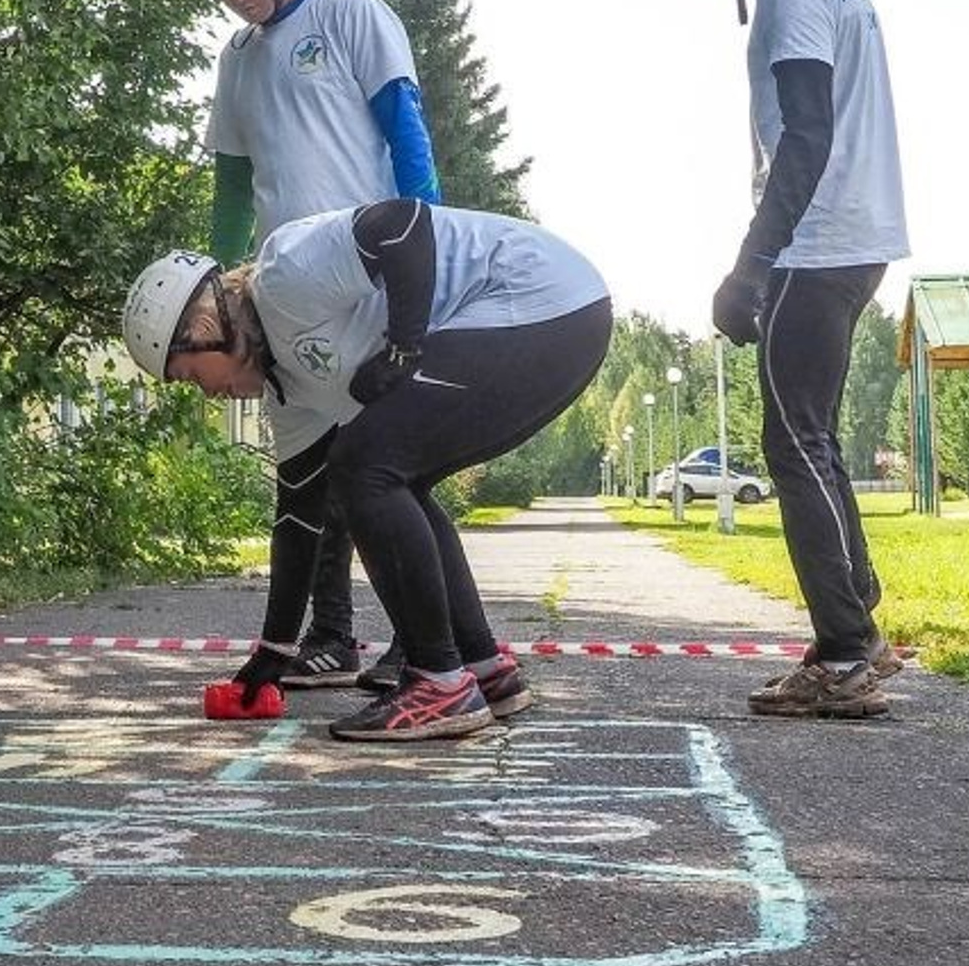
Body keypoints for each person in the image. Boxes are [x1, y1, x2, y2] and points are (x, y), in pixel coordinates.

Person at [124, 199, 610, 741]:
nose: (210, 393)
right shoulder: (289, 390)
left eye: (194, 375)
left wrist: (403, 348)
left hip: (538, 299)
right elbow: (299, 515)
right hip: (560, 319)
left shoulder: (284, 273)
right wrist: (274, 650)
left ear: (207, 324)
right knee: (391, 474)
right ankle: (481, 667)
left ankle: (439, 682)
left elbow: (401, 226)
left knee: (365, 465)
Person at [642, 0, 909, 720]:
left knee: (793, 442)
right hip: (851, 234)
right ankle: (857, 628)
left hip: (820, 242)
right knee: (813, 437)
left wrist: (749, 265)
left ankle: (841, 655)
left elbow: (806, 135)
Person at [187, 0, 442, 692]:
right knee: (307, 466)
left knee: (388, 463)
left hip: (371, 277)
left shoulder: (352, 17)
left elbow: (406, 129)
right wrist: (220, 289)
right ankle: (327, 636)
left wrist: (428, 246)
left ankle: (417, 638)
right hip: (278, 292)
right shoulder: (238, 60)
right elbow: (232, 183)